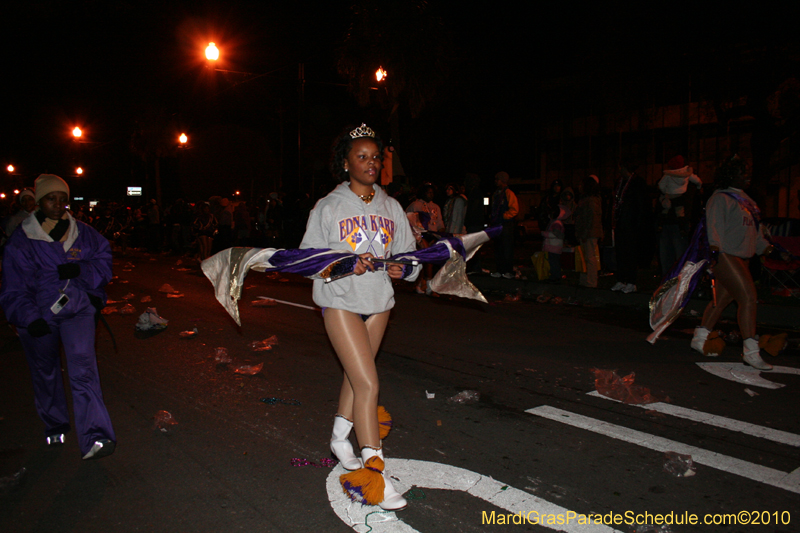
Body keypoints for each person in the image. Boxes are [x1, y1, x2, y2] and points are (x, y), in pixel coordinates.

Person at [300, 124, 419, 510]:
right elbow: (308, 260)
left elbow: (410, 255)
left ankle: (339, 436)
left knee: (357, 376)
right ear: (345, 162)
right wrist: (346, 264)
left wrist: (406, 269)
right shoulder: (329, 207)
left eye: (376, 157)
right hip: (340, 301)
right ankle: (375, 476)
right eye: (362, 157)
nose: (371, 163)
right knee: (369, 383)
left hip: (379, 303)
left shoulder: (392, 207)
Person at [0, 174, 115, 459]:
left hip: (77, 310)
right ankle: (55, 423)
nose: (58, 205)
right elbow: (13, 285)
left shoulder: (84, 233)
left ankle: (96, 437)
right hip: (39, 316)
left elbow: (103, 261)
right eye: (52, 198)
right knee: (45, 372)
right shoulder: (22, 239)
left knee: (84, 371)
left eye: (63, 200)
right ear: (39, 201)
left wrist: (83, 274)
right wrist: (28, 317)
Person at [690, 157, 774, 370]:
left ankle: (699, 339)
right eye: (742, 172)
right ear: (731, 175)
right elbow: (713, 228)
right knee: (748, 297)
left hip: (742, 258)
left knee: (722, 300)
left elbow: (756, 234)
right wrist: (714, 253)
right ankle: (751, 351)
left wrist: (769, 249)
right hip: (725, 255)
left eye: (748, 171)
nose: (747, 176)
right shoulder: (720, 198)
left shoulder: (749, 202)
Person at [657, 155, 702, 277]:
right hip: (678, 223)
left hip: (672, 223)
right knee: (678, 255)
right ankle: (676, 280)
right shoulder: (688, 180)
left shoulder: (667, 178)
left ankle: (673, 280)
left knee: (670, 256)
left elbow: (660, 187)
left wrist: (664, 199)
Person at [611, 160, 648, 293]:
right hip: (620, 222)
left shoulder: (638, 183)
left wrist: (638, 225)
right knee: (620, 252)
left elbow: (641, 205)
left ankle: (631, 281)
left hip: (631, 224)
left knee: (630, 253)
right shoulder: (619, 182)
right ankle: (621, 279)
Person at [406, 183, 444, 294]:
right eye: (429, 192)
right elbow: (407, 220)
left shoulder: (436, 207)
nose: (431, 195)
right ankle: (426, 285)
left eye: (432, 193)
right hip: (421, 236)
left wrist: (441, 233)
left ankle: (423, 284)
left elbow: (440, 223)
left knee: (428, 261)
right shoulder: (415, 205)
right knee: (426, 260)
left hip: (434, 236)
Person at [574, 175, 603, 287]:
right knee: (585, 257)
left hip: (589, 233)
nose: (579, 186)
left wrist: (585, 233)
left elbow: (591, 219)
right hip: (586, 232)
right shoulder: (587, 199)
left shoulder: (591, 201)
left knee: (590, 258)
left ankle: (591, 282)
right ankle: (585, 280)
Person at [490, 171, 519, 278]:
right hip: (497, 224)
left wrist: (504, 216)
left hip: (506, 225)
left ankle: (508, 271)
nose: (495, 181)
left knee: (507, 248)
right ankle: (500, 270)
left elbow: (514, 209)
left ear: (502, 180)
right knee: (498, 248)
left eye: (497, 179)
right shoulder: (496, 193)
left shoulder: (509, 193)